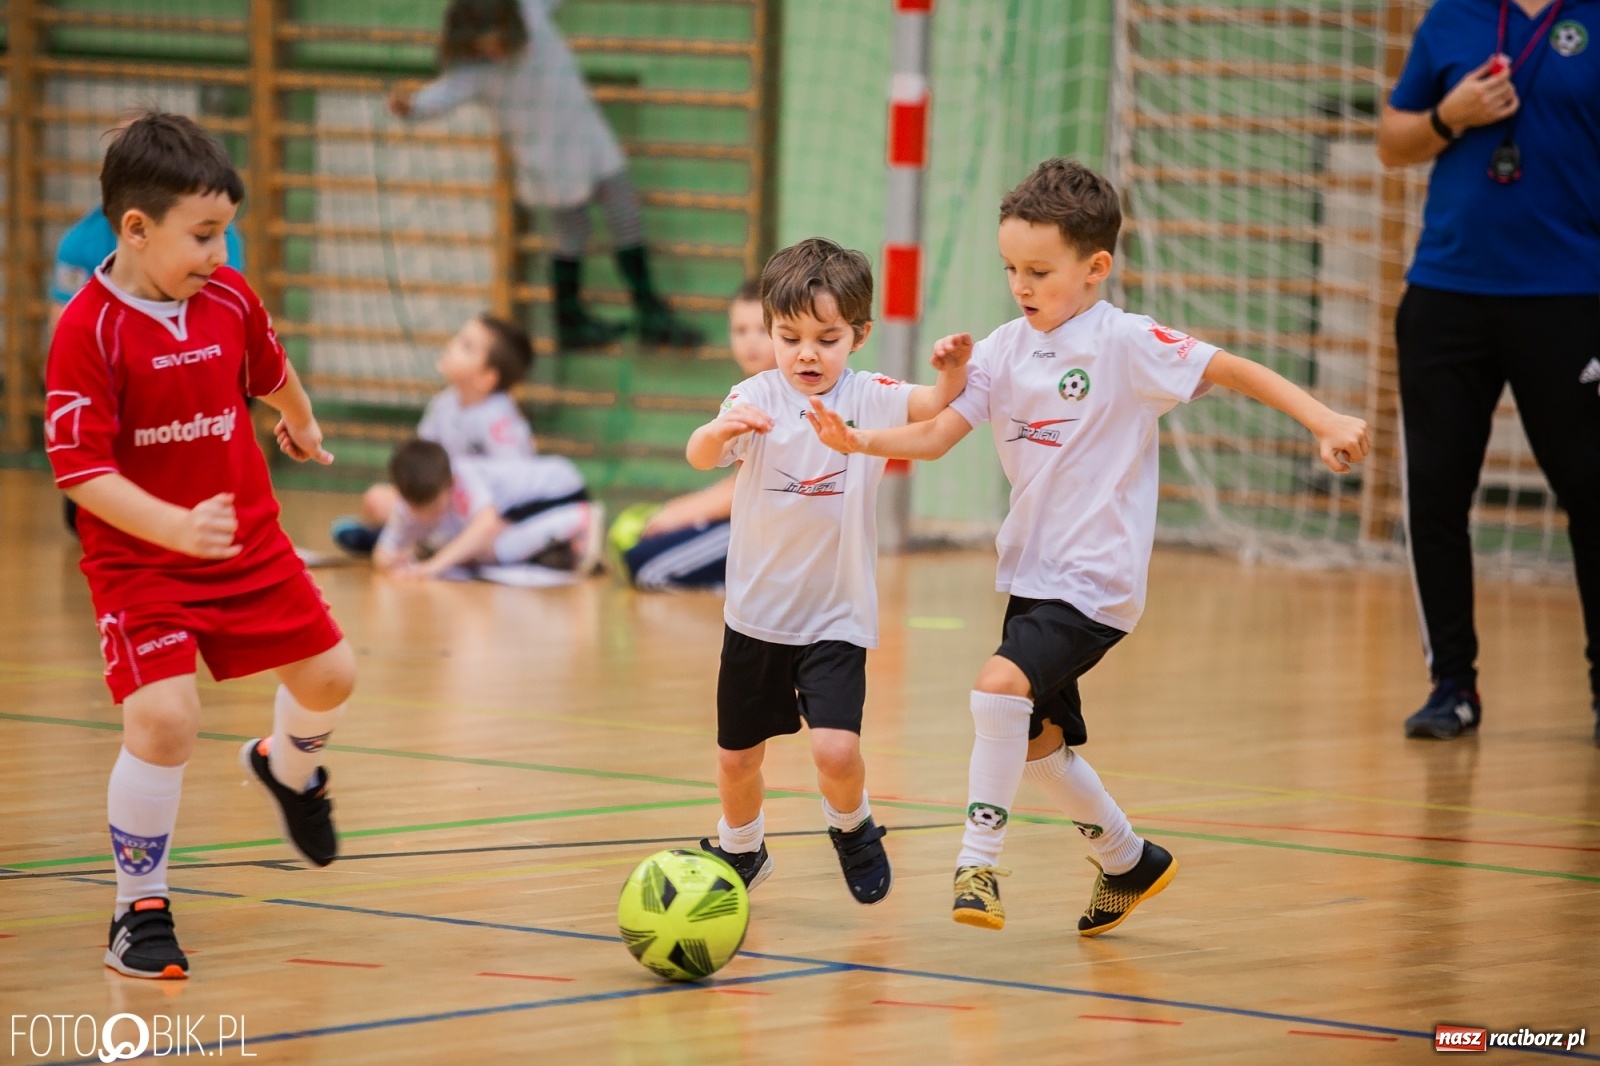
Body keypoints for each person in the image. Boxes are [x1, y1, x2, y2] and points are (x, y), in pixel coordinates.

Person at [807, 159, 1371, 934]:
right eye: (1010, 268)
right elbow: (937, 435)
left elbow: (1232, 369)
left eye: (1038, 270)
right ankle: (1128, 859)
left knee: (997, 686)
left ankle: (978, 862)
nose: (1021, 284)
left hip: (1095, 581)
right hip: (1032, 574)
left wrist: (1325, 420)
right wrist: (858, 437)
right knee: (1035, 743)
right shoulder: (1002, 350)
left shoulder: (1126, 343)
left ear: (1095, 267)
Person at [44, 112, 355, 979]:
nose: (220, 253)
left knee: (333, 675)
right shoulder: (87, 332)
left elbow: (268, 369)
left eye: (227, 234)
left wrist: (299, 421)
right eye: (205, 235)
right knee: (164, 720)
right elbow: (80, 473)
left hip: (247, 541)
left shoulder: (227, 299)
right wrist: (174, 528)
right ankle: (137, 907)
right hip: (142, 560)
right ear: (136, 230)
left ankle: (287, 769)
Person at [684, 238, 971, 903]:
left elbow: (933, 404)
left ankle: (852, 826)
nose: (806, 353)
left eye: (826, 337)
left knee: (836, 753)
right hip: (756, 615)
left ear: (859, 335)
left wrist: (953, 370)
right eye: (789, 337)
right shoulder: (752, 396)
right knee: (736, 759)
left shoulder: (868, 397)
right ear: (770, 331)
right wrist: (720, 431)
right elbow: (699, 455)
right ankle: (742, 847)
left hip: (835, 618)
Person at [1376, 0, 1600, 744]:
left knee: (1592, 493)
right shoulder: (1453, 18)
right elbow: (1391, 142)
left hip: (1572, 297)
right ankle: (1452, 686)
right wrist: (1450, 115)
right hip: (1447, 293)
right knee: (1436, 498)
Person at [390, 0, 703, 350]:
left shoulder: (530, 13)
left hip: (584, 131)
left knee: (625, 210)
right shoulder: (473, 73)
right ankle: (569, 321)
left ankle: (649, 310)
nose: (495, 51)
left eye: (499, 40)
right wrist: (412, 106)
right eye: (484, 46)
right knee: (573, 230)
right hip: (548, 157)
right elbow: (440, 96)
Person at [611, 279, 776, 590]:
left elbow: (752, 488)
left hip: (768, 529)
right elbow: (735, 475)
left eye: (762, 330)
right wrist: (680, 509)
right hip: (749, 517)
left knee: (648, 567)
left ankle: (754, 585)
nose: (750, 342)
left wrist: (681, 514)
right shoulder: (748, 393)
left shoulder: (779, 397)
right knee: (639, 552)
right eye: (740, 330)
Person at [330, 313, 536, 555]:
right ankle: (415, 542)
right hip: (440, 504)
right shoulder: (444, 403)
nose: (452, 346)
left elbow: (515, 482)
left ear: (486, 378)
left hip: (480, 513)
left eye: (466, 346)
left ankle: (407, 542)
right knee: (376, 500)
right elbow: (422, 457)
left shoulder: (499, 419)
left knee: (496, 533)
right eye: (459, 338)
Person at [373, 439, 602, 580]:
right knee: (478, 550)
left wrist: (430, 568)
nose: (426, 516)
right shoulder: (407, 503)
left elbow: (485, 523)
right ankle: (564, 545)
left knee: (492, 548)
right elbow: (382, 553)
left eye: (434, 506)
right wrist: (393, 562)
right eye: (418, 509)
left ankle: (579, 519)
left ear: (449, 484)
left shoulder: (463, 474)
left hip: (558, 491)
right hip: (518, 510)